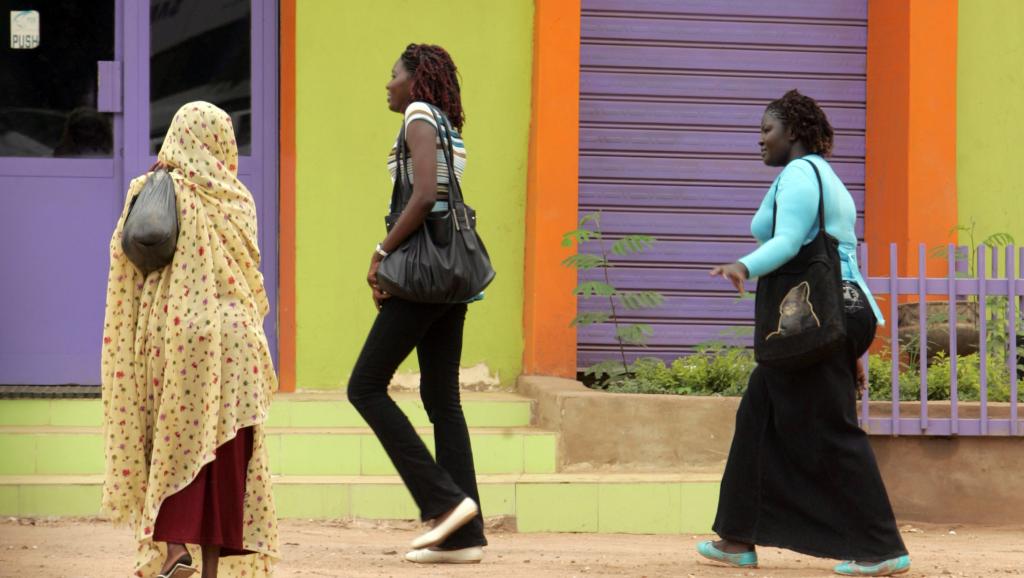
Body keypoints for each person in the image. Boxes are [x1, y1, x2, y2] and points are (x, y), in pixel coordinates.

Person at [699, 90, 911, 577]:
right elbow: (839, 262)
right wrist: (847, 347)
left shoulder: (799, 173)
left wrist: (743, 266)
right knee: (758, 413)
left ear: (792, 132)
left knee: (831, 428)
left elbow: (790, 241)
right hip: (832, 316)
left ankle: (879, 547)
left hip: (818, 317)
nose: (760, 140)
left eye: (767, 130)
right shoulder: (828, 177)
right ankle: (737, 537)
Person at [101, 101, 279, 578]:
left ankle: (175, 547)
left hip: (175, 335)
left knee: (173, 439)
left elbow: (127, 256)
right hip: (237, 341)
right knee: (221, 452)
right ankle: (211, 568)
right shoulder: (238, 198)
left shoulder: (154, 190)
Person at [346, 43, 486, 565]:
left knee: (365, 386)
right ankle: (465, 537)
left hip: (424, 275)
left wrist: (382, 253)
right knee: (441, 398)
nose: (388, 84)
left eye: (394, 74)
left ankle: (443, 503)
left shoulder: (419, 115)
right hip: (453, 276)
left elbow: (425, 195)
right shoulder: (447, 125)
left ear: (415, 80)